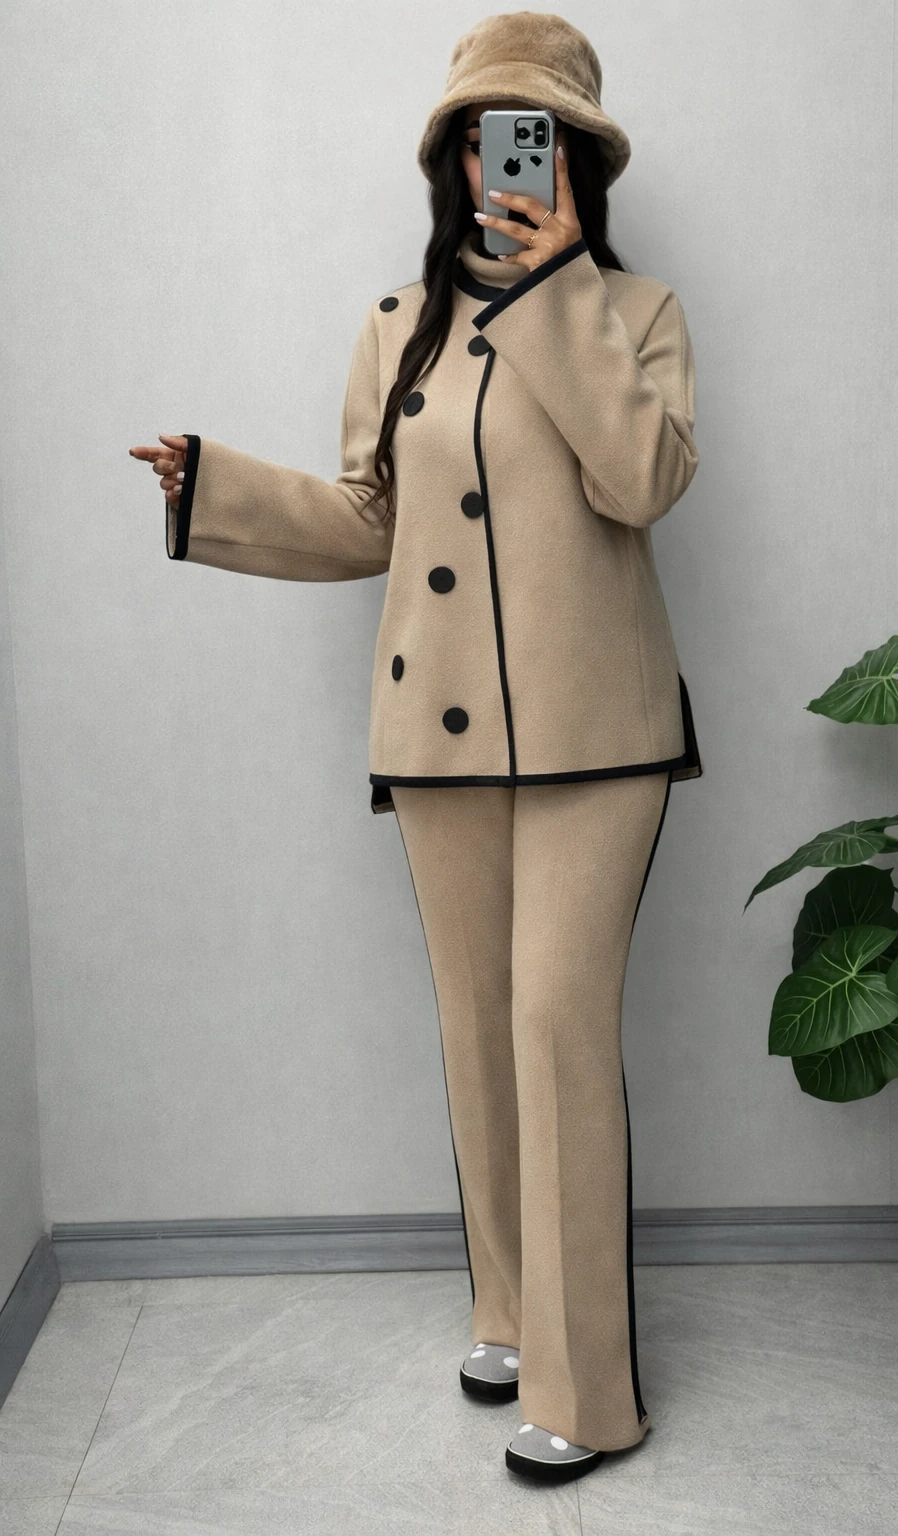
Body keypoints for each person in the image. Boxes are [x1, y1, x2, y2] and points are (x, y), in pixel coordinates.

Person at [129, 10, 701, 1484]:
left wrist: (558, 290)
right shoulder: (399, 324)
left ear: (575, 164)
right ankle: (506, 1310)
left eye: (532, 139)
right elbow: (370, 518)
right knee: (478, 1033)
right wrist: (216, 490)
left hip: (598, 738)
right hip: (436, 729)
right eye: (476, 138)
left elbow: (642, 483)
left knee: (556, 1032)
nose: (498, 163)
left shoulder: (636, 313)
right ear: (448, 160)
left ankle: (590, 1390)